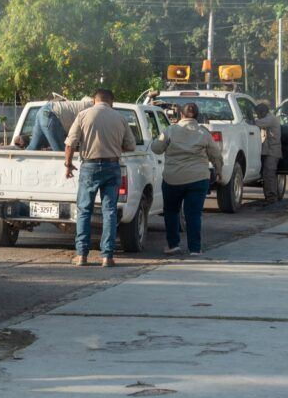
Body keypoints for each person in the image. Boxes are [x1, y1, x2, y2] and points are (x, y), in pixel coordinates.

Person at [63, 89, 136, 267]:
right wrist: (114, 148)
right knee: (109, 211)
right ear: (111, 101)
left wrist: (68, 164)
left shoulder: (83, 115)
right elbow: (131, 145)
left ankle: (81, 256)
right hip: (112, 166)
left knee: (84, 210)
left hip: (89, 166)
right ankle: (107, 257)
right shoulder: (119, 118)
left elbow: (70, 143)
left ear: (94, 100)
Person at [151, 102, 224, 256]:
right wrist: (219, 171)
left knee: (171, 211)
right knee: (194, 214)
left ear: (181, 115)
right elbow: (215, 154)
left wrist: (155, 140)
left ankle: (173, 245)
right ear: (197, 116)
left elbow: (157, 149)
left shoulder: (170, 130)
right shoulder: (203, 133)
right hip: (198, 178)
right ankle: (195, 249)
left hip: (173, 179)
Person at [24, 96, 94, 151]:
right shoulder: (94, 109)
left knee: (33, 148)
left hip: (43, 111)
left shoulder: (84, 104)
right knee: (62, 155)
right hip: (52, 115)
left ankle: (16, 156)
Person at [254, 102, 282, 204]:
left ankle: (272, 199)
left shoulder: (270, 119)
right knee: (267, 175)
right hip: (269, 151)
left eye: (258, 114)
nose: (257, 116)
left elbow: (257, 123)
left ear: (263, 112)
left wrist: (248, 120)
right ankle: (270, 197)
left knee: (269, 175)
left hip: (272, 152)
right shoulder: (269, 118)